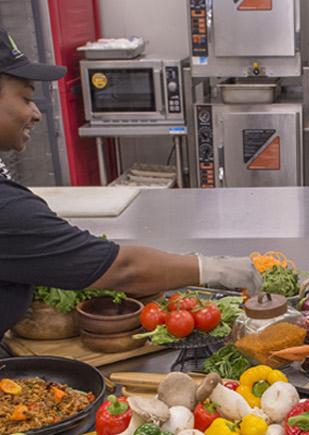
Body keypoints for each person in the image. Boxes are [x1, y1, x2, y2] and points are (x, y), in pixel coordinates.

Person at [0, 28, 261, 340]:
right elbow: (124, 270)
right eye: (27, 98)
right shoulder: (8, 210)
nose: (36, 114)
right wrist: (212, 269)